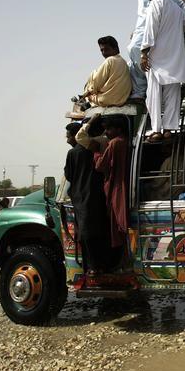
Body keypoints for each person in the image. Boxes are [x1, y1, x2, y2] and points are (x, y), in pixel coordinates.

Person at [139, 0, 185, 142]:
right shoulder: (176, 8)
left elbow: (150, 31)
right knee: (172, 94)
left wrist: (144, 53)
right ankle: (169, 129)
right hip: (174, 58)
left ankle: (156, 129)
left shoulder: (155, 5)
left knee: (153, 94)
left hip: (156, 58)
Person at [127, 0, 185, 101]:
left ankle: (146, 86)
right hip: (141, 30)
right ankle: (141, 87)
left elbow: (179, 3)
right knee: (132, 51)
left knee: (139, 50)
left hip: (155, 28)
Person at [63, 122, 110, 276]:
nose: (67, 139)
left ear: (76, 135)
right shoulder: (94, 148)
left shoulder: (73, 153)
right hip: (97, 194)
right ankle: (102, 265)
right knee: (99, 230)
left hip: (81, 197)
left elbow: (69, 175)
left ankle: (92, 267)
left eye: (69, 136)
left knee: (85, 234)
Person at [93, 116, 130, 265]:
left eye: (109, 129)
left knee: (116, 226)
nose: (106, 132)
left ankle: (121, 263)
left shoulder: (114, 143)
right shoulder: (125, 141)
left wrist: (96, 152)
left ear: (118, 129)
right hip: (123, 186)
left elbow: (100, 165)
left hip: (116, 188)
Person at [83, 35, 132, 107]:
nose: (104, 53)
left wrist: (88, 93)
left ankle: (85, 101)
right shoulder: (124, 62)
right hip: (121, 100)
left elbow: (96, 84)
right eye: (102, 50)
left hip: (106, 100)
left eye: (106, 49)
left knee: (93, 74)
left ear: (116, 49)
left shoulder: (109, 61)